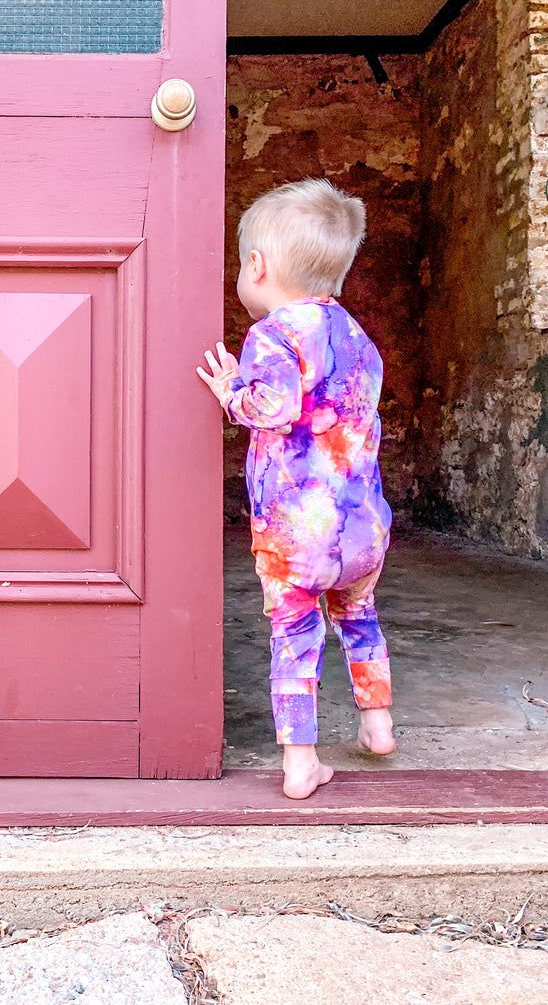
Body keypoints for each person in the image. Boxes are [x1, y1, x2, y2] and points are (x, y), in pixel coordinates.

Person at [197, 178, 395, 800]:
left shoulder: (275, 333)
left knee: (295, 634)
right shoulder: (357, 338)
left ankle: (301, 762)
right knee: (359, 617)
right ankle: (378, 724)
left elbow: (274, 407)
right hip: (364, 524)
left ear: (255, 266)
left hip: (297, 532)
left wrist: (232, 390)